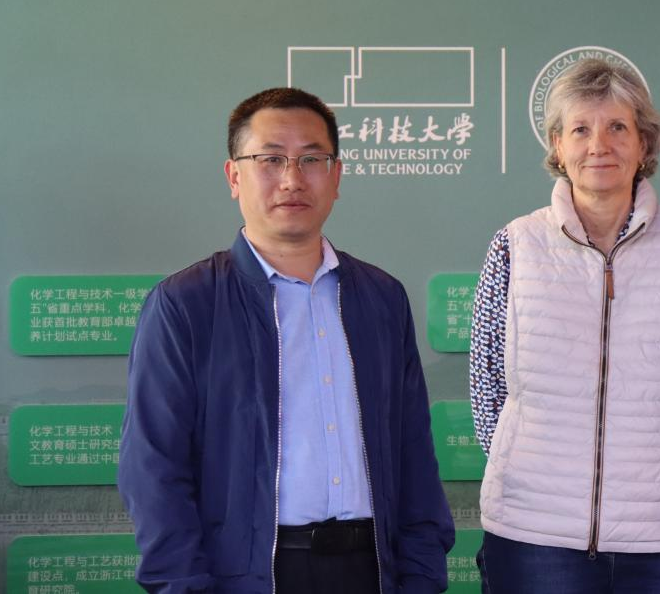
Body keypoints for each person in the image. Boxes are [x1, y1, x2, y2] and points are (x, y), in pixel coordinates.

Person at [119, 87, 454, 594]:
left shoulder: (382, 298)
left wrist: (422, 577)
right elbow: (153, 468)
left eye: (312, 159)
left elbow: (414, 456)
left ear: (336, 176)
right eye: (271, 159)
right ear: (234, 176)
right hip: (250, 577)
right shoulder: (186, 304)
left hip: (373, 571)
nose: (293, 179)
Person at [469, 58, 660, 594]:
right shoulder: (516, 244)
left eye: (617, 127)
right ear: (557, 144)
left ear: (644, 143)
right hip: (536, 535)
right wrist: (532, 479)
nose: (599, 145)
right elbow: (487, 388)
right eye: (580, 129)